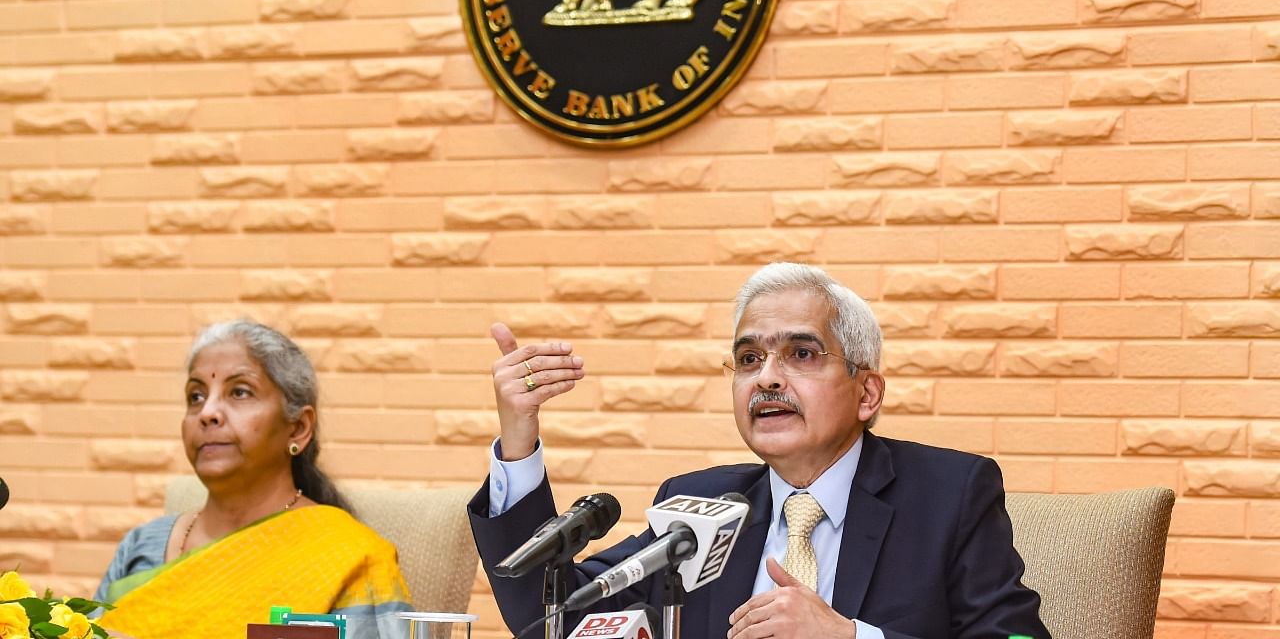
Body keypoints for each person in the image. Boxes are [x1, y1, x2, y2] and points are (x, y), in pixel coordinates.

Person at [468, 262, 1049, 639]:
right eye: (748, 359)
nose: (766, 378)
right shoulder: (699, 505)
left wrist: (851, 638)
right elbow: (554, 618)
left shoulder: (950, 496)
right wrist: (518, 435)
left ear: (866, 392)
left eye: (800, 354)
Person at [94, 320, 412, 639]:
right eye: (195, 396)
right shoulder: (140, 546)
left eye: (240, 392)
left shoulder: (350, 557)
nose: (208, 412)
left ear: (298, 428)